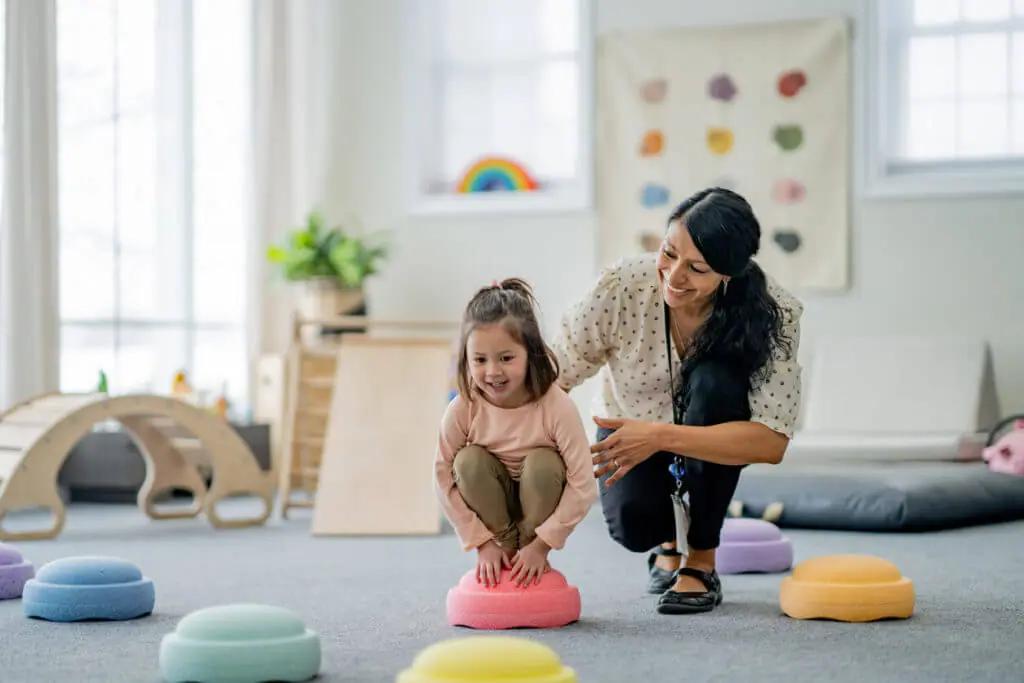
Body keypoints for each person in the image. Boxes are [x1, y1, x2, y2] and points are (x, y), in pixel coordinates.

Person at [553, 187, 802, 614]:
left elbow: (771, 441)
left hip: (703, 437)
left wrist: (660, 437)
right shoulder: (623, 287)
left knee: (715, 382)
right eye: (669, 253)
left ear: (728, 273)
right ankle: (669, 542)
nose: (673, 275)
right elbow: (556, 369)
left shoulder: (772, 312)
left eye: (697, 268)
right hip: (627, 430)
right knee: (632, 527)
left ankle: (701, 559)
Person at [434, 278, 597, 589]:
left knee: (543, 463)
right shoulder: (463, 407)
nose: (492, 372)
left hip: (539, 509)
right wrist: (482, 543)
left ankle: (525, 550)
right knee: (467, 461)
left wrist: (542, 545)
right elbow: (442, 476)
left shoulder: (556, 406)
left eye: (506, 358)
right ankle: (507, 548)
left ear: (530, 354)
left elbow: (583, 483)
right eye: (479, 360)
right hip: (494, 511)